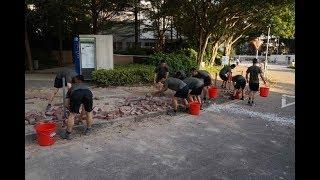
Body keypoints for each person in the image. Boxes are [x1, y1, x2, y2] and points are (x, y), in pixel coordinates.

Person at [62, 75, 93, 140]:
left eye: (75, 79)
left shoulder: (72, 87)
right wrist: (80, 118)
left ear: (77, 80)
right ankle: (89, 130)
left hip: (76, 94)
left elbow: (67, 102)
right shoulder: (86, 86)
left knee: (72, 114)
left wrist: (69, 108)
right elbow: (84, 107)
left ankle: (68, 134)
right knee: (89, 112)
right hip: (88, 93)